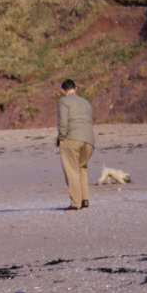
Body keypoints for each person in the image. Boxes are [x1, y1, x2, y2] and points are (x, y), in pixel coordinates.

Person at [56, 78, 95, 210]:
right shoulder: (86, 102)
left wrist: (61, 138)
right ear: (75, 89)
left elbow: (62, 122)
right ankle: (85, 200)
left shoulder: (63, 102)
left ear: (62, 91)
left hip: (72, 139)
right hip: (89, 140)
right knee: (82, 168)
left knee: (71, 171)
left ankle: (75, 203)